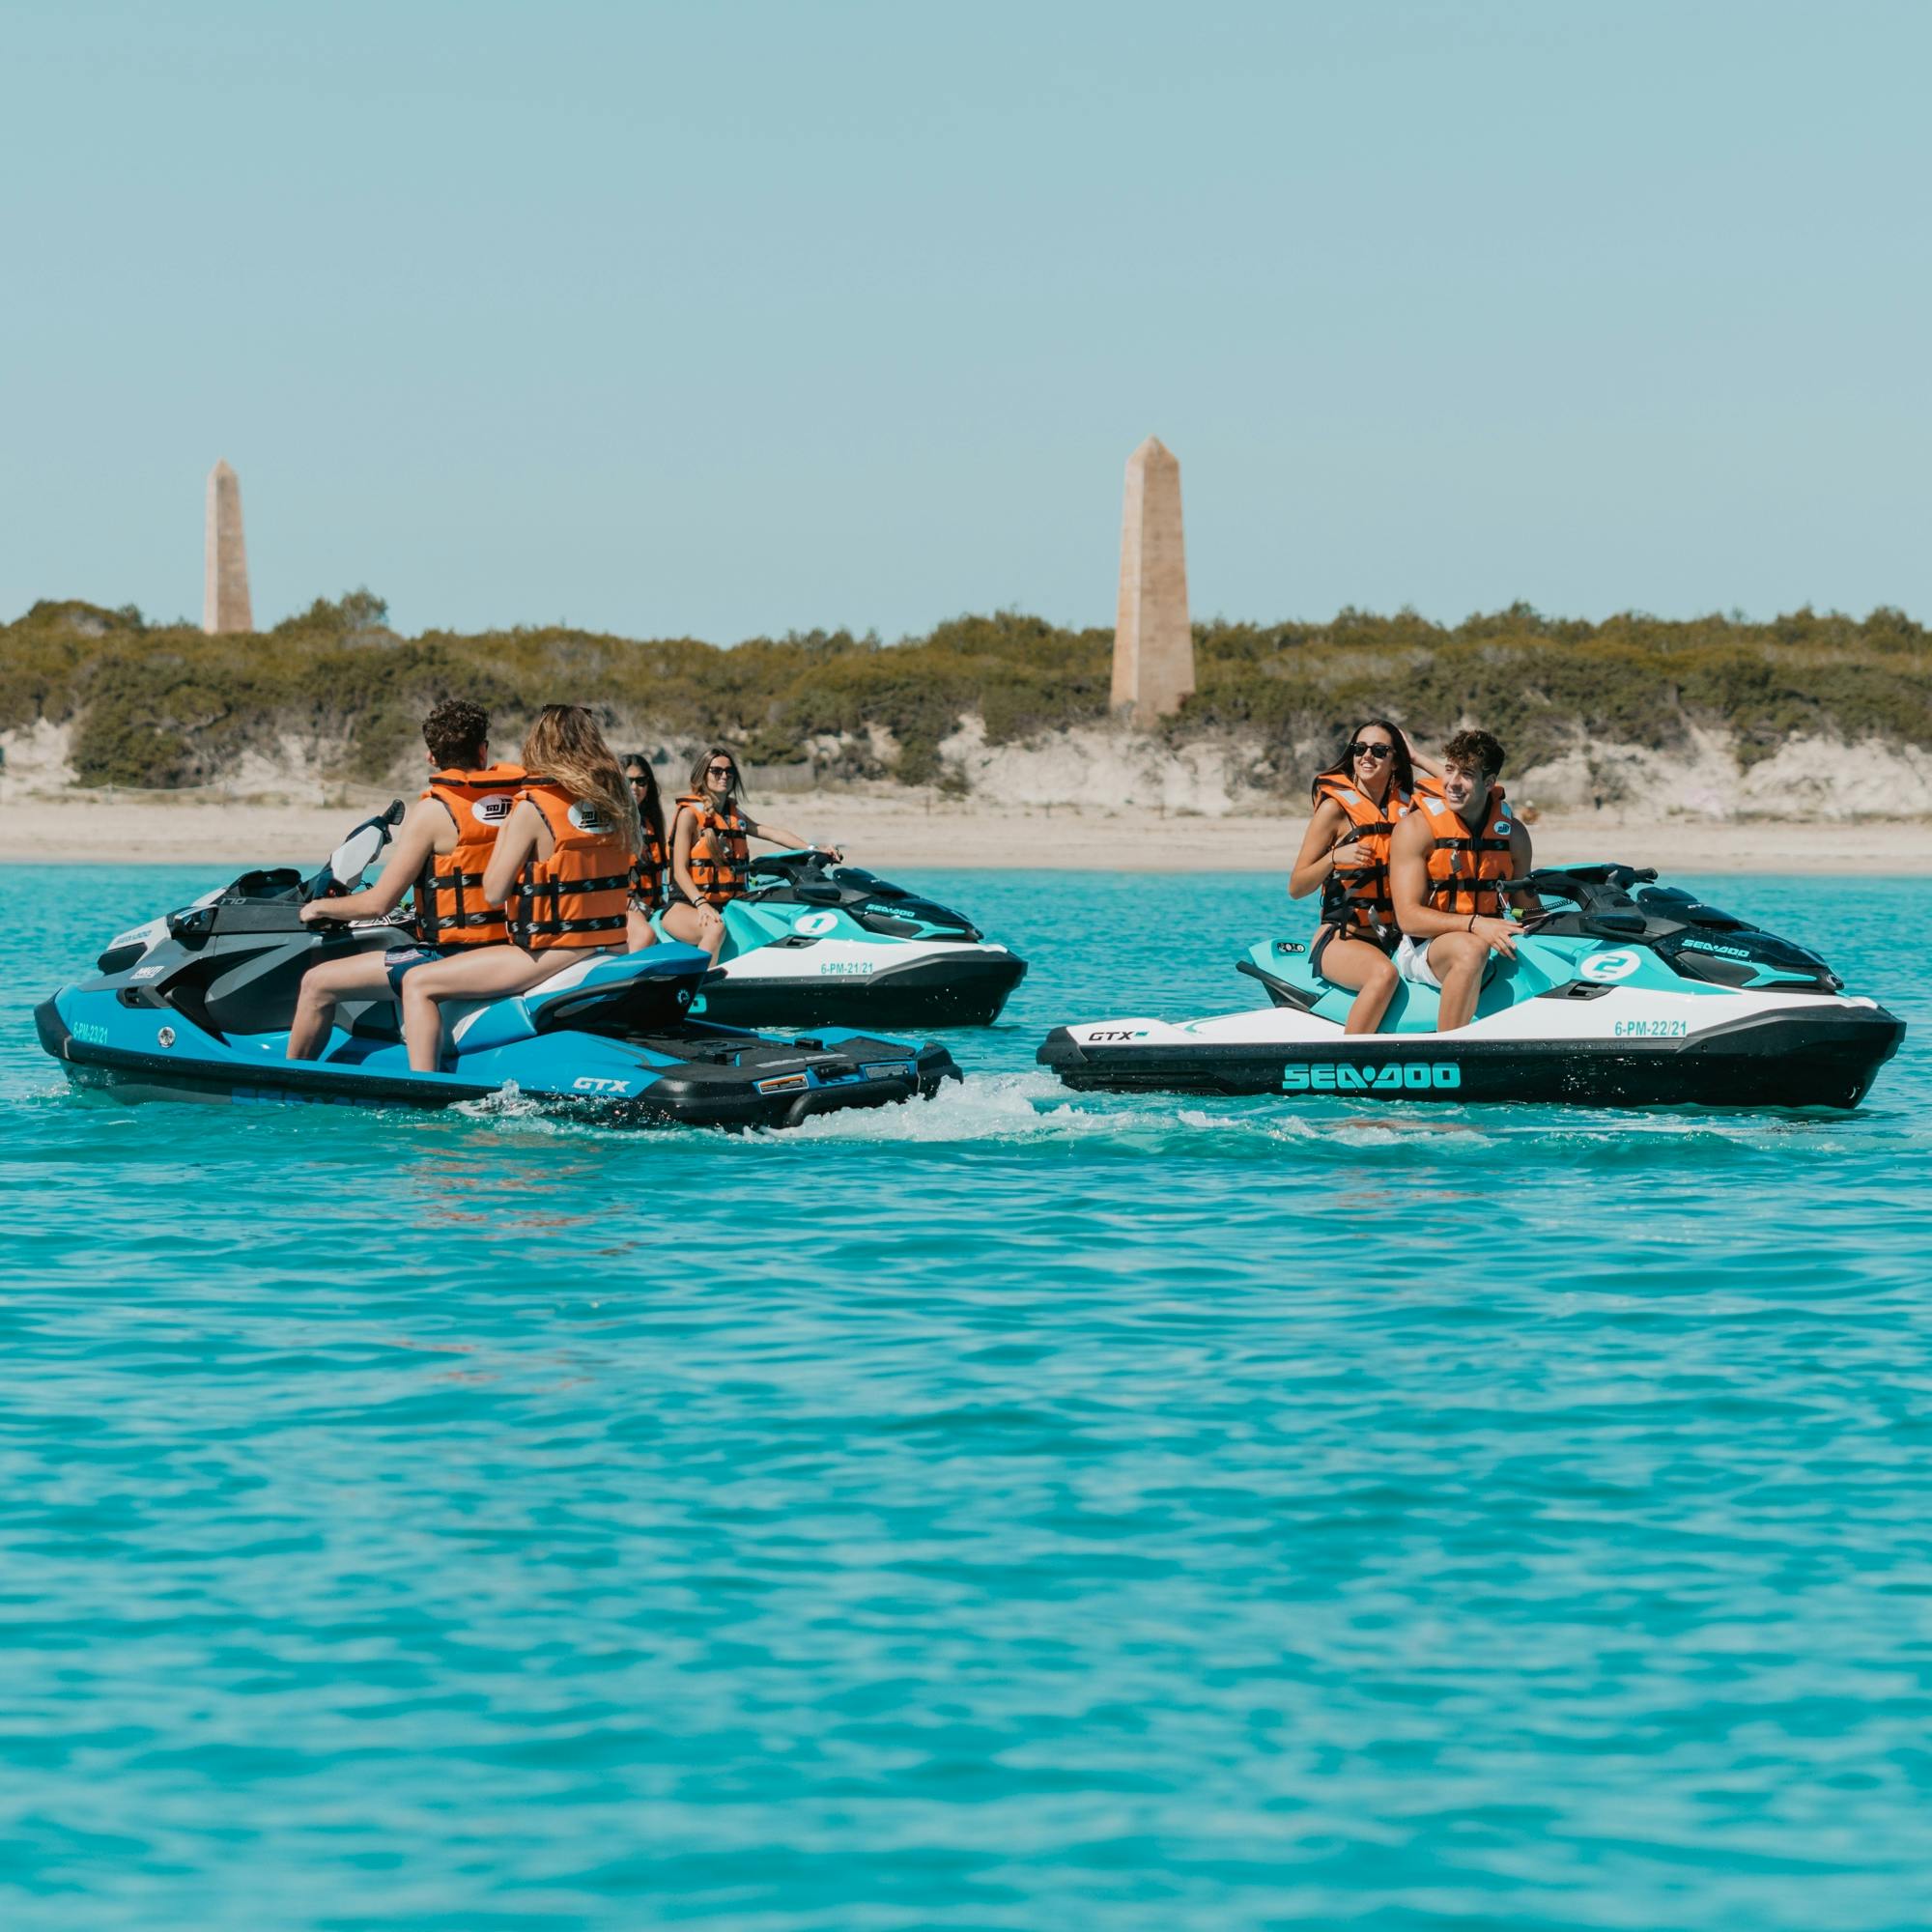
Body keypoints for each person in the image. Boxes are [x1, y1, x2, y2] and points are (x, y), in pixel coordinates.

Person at [393, 704, 643, 1073]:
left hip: (550, 953)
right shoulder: (619, 803)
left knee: (417, 982)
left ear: (539, 745)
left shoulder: (533, 807)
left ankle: (423, 1091)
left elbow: (494, 892)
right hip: (607, 942)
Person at [286, 697, 525, 1060]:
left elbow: (377, 904)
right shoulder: (521, 799)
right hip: (509, 948)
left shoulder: (433, 811)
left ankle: (292, 1085)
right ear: (483, 749)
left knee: (317, 983)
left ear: (432, 757)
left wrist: (320, 907)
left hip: (451, 953)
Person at [1287, 720, 1437, 1034]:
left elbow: (1470, 791)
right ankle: (1350, 1062)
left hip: (1400, 940)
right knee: (1382, 975)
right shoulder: (1334, 810)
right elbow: (1297, 886)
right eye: (1360, 748)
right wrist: (1333, 857)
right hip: (1344, 938)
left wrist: (1419, 757)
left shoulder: (1410, 808)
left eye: (1379, 750)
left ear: (1395, 760)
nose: (1367, 756)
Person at [1387, 727, 1539, 1033]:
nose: (1453, 783)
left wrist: (1558, 925)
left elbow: (1526, 910)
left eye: (1466, 774)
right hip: (1423, 948)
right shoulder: (1416, 829)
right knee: (1470, 949)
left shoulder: (1513, 835)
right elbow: (1408, 918)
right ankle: (1449, 1050)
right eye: (1449, 770)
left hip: (1487, 936)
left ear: (1489, 783)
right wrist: (1475, 924)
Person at [660, 747, 844, 964]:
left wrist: (813, 849)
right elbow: (679, 870)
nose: (724, 776)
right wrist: (701, 904)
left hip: (726, 903)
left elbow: (771, 832)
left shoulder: (732, 815)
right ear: (703, 774)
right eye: (716, 771)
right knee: (715, 929)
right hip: (685, 906)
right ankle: (701, 988)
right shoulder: (689, 815)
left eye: (729, 772)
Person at [620, 753, 668, 952]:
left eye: (641, 781)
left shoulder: (651, 823)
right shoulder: (610, 822)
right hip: (623, 903)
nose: (634, 787)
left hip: (653, 903)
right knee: (645, 936)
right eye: (627, 781)